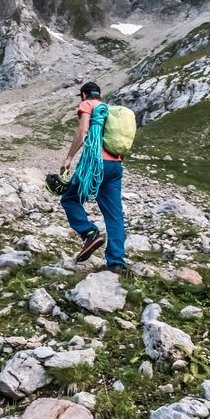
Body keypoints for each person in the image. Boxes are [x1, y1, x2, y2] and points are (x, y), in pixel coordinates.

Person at [60, 81, 127, 274]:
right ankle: (116, 263)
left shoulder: (87, 104)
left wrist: (69, 158)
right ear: (99, 94)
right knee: (114, 215)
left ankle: (90, 233)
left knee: (71, 199)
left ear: (83, 95)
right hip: (115, 165)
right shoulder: (110, 111)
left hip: (95, 163)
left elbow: (82, 132)